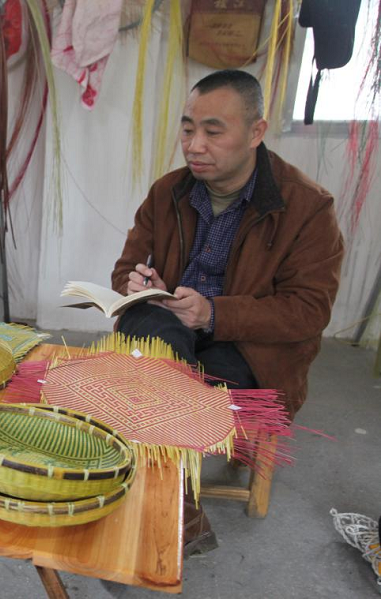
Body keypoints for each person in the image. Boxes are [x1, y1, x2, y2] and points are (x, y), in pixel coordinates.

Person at [111, 70, 344, 555]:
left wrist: (213, 314)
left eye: (213, 131)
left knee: (158, 378)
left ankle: (156, 499)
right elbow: (123, 271)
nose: (194, 145)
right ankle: (177, 505)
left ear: (256, 132)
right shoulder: (168, 192)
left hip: (248, 350)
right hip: (171, 331)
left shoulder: (307, 207)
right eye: (187, 128)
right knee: (153, 329)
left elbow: (308, 310)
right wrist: (141, 285)